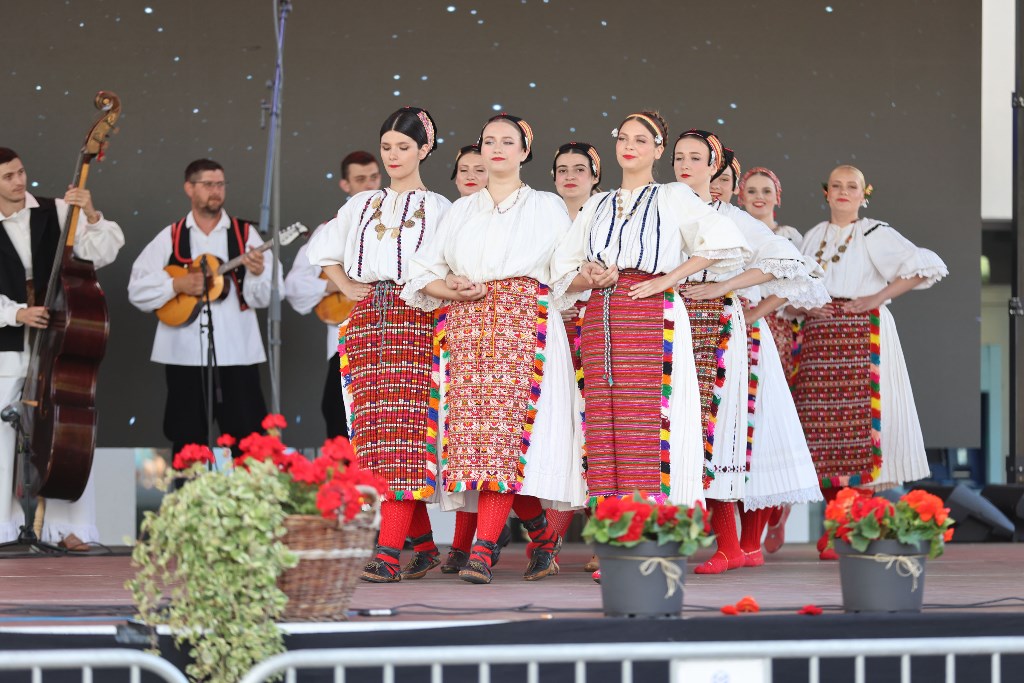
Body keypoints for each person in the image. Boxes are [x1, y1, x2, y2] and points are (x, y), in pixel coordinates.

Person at [403, 113, 586, 585]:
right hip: (467, 325)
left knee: (506, 437)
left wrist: (599, 276)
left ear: (526, 151)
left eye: (509, 141)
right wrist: (452, 287)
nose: (497, 148)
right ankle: (542, 538)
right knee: (476, 440)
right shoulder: (459, 211)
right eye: (489, 141)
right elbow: (422, 274)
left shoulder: (547, 207)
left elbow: (569, 267)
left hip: (525, 322)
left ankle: (483, 550)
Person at [552, 113, 748, 529]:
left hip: (650, 312)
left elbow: (724, 240)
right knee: (603, 420)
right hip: (602, 315)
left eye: (641, 140)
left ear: (658, 150)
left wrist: (671, 278)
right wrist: (590, 274)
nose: (630, 146)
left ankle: (648, 526)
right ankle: (611, 526)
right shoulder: (599, 204)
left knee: (645, 420)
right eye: (623, 138)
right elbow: (561, 269)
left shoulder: (673, 195)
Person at [308, 108, 452, 583]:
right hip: (367, 321)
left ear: (425, 150)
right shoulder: (362, 205)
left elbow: (448, 271)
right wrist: (345, 286)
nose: (393, 156)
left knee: (406, 434)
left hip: (418, 321)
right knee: (374, 434)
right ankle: (425, 547)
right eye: (388, 147)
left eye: (404, 148)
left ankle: (389, 552)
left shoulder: (440, 209)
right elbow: (323, 251)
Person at [681, 144, 827, 571]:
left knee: (731, 433)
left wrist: (731, 293)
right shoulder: (676, 210)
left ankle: (740, 543)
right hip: (682, 324)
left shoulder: (739, 222)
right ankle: (716, 541)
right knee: (688, 434)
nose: (714, 183)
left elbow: (796, 268)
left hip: (732, 332)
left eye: (723, 178)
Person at [791, 165, 947, 560]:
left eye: (853, 187)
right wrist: (808, 307)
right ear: (826, 193)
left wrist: (877, 297)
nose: (844, 192)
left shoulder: (875, 232)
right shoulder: (813, 236)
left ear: (865, 195)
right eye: (837, 186)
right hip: (821, 339)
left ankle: (846, 527)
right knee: (820, 431)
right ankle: (833, 524)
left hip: (862, 336)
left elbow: (926, 266)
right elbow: (795, 288)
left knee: (860, 430)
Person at [0, 147, 124, 546]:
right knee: (2, 442)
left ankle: (68, 528)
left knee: (63, 433)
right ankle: (4, 526)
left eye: (20, 172)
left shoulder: (55, 210)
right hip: (8, 348)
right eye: (8, 177)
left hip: (56, 345)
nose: (19, 181)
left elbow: (102, 252)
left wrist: (90, 214)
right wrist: (16, 313)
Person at [128, 159, 281, 464]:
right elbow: (137, 290)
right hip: (184, 357)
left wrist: (258, 271)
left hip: (238, 354)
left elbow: (270, 295)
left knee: (249, 441)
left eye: (221, 184)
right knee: (187, 441)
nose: (216, 191)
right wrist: (177, 284)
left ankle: (250, 510)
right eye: (208, 184)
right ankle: (188, 508)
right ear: (189, 188)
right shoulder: (171, 236)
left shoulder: (244, 234)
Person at [285, 151, 382, 439]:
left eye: (374, 178)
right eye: (360, 179)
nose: (369, 185)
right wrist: (338, 284)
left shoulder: (400, 227)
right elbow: (295, 285)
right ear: (345, 185)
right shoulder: (330, 230)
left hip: (396, 338)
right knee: (338, 413)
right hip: (346, 341)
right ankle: (343, 483)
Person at [737, 166, 803, 553]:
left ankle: (774, 510)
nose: (758, 197)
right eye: (751, 190)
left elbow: (803, 287)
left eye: (766, 191)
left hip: (774, 332)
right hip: (740, 328)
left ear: (777, 197)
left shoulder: (786, 237)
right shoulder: (731, 230)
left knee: (771, 423)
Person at [549, 141, 602, 571]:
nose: (570, 176)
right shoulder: (543, 216)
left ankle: (604, 534)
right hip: (553, 329)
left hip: (598, 329)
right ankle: (549, 539)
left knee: (596, 427)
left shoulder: (607, 214)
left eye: (579, 169)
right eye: (562, 169)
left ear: (595, 175)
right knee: (560, 426)